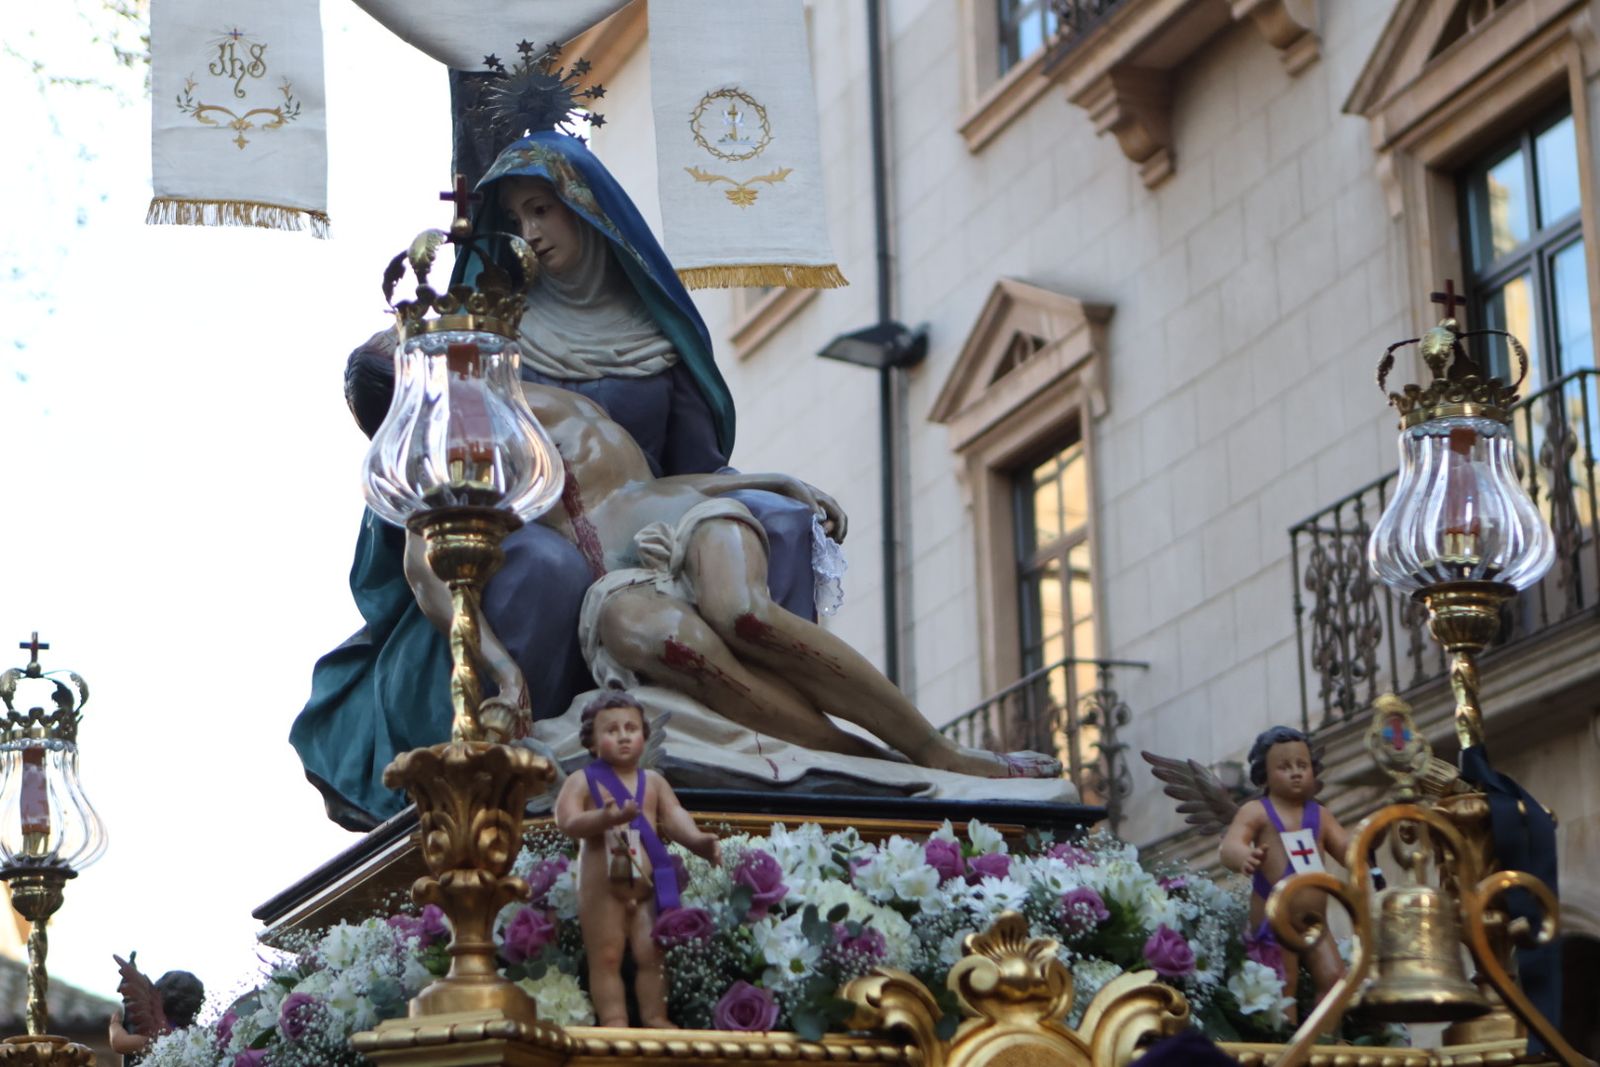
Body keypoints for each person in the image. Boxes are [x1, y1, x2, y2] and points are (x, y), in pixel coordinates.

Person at [292, 131, 826, 829]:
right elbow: (423, 500)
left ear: (589, 210)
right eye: (516, 221)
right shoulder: (493, 337)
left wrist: (749, 494)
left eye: (542, 211)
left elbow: (693, 464)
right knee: (544, 568)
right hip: (531, 539)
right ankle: (528, 777)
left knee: (779, 519)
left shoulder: (655, 334)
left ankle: (798, 753)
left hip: (643, 519)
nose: (532, 234)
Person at [398, 373, 1055, 778]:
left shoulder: (526, 392)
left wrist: (766, 480)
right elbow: (425, 566)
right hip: (621, 583)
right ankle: (867, 764)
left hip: (689, 514)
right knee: (683, 645)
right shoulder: (445, 444)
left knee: (745, 612)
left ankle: (937, 752)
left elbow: (639, 485)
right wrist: (507, 672)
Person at [554, 692, 720, 1028]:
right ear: (591, 741)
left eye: (631, 727)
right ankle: (614, 1019)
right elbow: (567, 820)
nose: (623, 735)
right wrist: (603, 818)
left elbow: (674, 816)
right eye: (611, 730)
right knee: (607, 955)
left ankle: (655, 1016)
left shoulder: (654, 782)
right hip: (602, 885)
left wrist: (698, 840)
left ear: (644, 734)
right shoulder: (582, 781)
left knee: (651, 953)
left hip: (648, 884)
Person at [1219, 726, 1350, 1013]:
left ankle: (1326, 1045)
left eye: (1302, 766)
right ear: (1264, 774)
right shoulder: (1257, 811)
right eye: (1284, 766)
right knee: (1283, 984)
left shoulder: (1322, 816)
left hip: (1315, 921)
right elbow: (1229, 847)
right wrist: (1245, 856)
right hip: (1273, 914)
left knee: (1335, 980)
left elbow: (1349, 851)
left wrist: (1373, 834)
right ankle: (1286, 1046)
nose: (1296, 772)